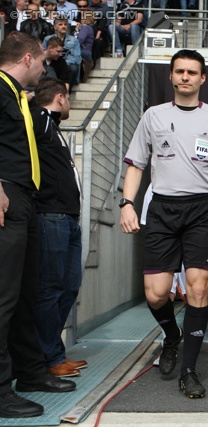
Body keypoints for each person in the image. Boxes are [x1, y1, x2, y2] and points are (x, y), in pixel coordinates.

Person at [120, 49, 208, 399]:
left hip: (201, 210)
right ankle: (172, 336)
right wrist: (127, 203)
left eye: (192, 72)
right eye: (180, 71)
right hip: (162, 210)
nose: (186, 77)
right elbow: (136, 164)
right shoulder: (153, 116)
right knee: (156, 294)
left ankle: (188, 369)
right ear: (171, 77)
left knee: (198, 289)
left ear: (203, 78)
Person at [0, 31, 76, 420]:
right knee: (5, 297)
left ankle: (29, 372)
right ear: (29, 58)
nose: (45, 68)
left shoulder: (17, 95)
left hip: (24, 202)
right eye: (43, 62)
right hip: (7, 196)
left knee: (26, 294)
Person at [31, 77, 86, 378]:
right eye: (68, 96)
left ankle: (51, 351)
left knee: (69, 286)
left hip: (67, 218)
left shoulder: (53, 127)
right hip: (51, 215)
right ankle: (49, 357)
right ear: (61, 98)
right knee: (50, 289)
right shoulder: (39, 118)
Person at [43, 18, 81, 86]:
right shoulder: (47, 39)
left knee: (73, 68)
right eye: (60, 24)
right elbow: (43, 52)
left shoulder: (74, 40)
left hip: (67, 64)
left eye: (65, 24)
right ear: (55, 27)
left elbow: (77, 58)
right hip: (52, 62)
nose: (63, 26)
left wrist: (63, 62)